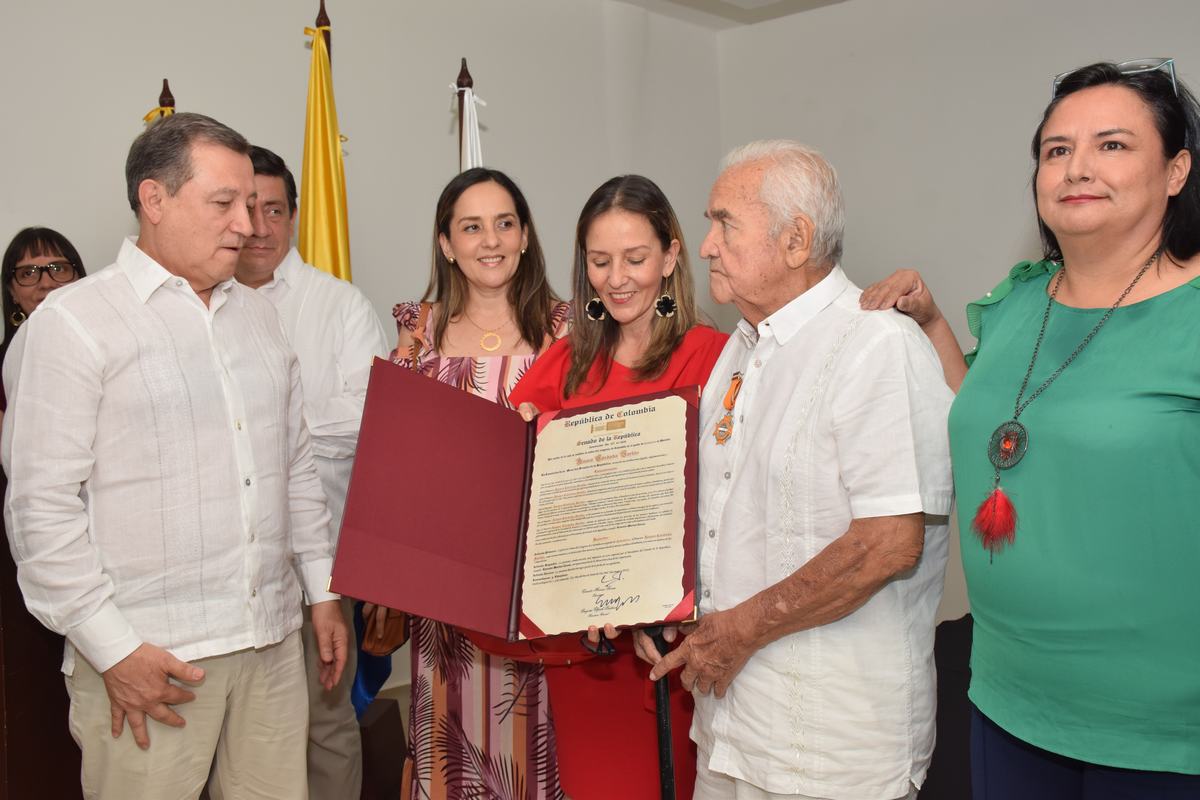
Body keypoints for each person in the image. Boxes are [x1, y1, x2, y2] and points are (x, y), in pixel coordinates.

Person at [860, 59, 1200, 798]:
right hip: (1009, 700)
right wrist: (932, 323)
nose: (1077, 167)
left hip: (1161, 733)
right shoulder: (1018, 302)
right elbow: (991, 419)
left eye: (1112, 145)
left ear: (1176, 170)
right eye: (1056, 149)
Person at [1, 112, 347, 800]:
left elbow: (295, 469)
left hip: (270, 645)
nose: (247, 225)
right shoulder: (73, 325)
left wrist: (324, 592)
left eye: (250, 205)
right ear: (153, 200)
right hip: (150, 660)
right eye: (223, 204)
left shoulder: (259, 316)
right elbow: (41, 509)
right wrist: (113, 650)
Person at [643, 140, 954, 800]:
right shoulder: (740, 347)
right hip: (730, 728)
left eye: (725, 223)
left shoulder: (877, 345)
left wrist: (740, 629)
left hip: (832, 747)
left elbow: (888, 543)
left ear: (795, 239)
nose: (704, 246)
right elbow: (720, 518)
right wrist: (650, 603)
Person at [510, 174, 729, 800]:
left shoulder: (710, 358)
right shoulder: (564, 362)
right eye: (600, 262)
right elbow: (515, 505)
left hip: (670, 653)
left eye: (635, 258)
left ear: (671, 255)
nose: (617, 278)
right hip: (584, 661)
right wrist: (516, 450)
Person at [389, 167, 569, 800]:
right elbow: (398, 464)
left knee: (541, 751)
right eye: (471, 226)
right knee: (455, 752)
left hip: (548, 588)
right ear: (446, 243)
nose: (490, 240)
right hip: (447, 597)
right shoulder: (420, 332)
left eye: (504, 223)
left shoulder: (569, 327)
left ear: (524, 236)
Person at [235, 144, 389, 800]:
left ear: (295, 217)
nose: (262, 226)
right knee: (239, 737)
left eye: (275, 209)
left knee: (327, 723)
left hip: (323, 561)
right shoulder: (200, 307)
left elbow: (371, 430)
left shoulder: (340, 306)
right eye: (248, 209)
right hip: (232, 571)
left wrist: (283, 430)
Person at [0, 226, 87, 425]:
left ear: (80, 280)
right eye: (28, 273)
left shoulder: (113, 347)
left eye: (59, 269)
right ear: (12, 292)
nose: (46, 283)